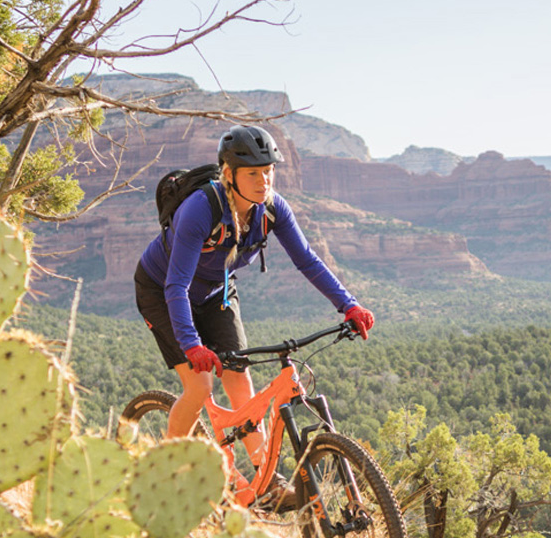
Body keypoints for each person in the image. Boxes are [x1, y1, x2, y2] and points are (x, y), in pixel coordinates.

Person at [134, 124, 376, 439]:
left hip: (216, 291)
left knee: (240, 379)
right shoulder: (200, 209)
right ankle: (169, 466)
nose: (264, 181)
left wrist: (349, 305)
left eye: (268, 171)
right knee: (199, 386)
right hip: (161, 289)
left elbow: (306, 259)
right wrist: (192, 345)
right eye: (253, 173)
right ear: (228, 173)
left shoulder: (273, 208)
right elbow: (175, 285)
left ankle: (267, 482)